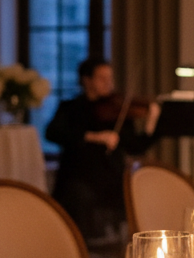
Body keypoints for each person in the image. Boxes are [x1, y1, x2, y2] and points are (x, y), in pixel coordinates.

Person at [45, 57, 161, 240]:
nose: (109, 83)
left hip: (112, 178)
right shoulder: (71, 107)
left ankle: (132, 245)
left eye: (110, 78)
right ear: (87, 80)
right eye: (102, 78)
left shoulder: (117, 108)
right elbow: (52, 133)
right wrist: (93, 136)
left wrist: (151, 123)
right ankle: (85, 247)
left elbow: (135, 147)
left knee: (139, 192)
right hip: (79, 176)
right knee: (79, 197)